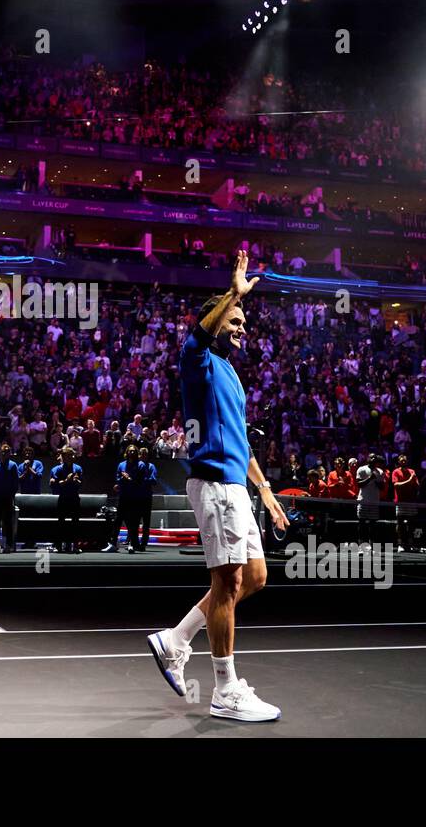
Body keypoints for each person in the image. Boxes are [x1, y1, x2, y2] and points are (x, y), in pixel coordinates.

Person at [147, 250, 287, 723]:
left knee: (255, 578)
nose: (242, 326)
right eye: (235, 319)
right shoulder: (198, 359)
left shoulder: (231, 373)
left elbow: (242, 441)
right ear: (217, 318)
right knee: (226, 584)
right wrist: (232, 292)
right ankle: (225, 689)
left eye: (245, 319)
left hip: (237, 486)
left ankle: (176, 639)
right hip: (213, 484)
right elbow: (197, 333)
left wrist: (265, 490)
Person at [49, 446, 85, 553]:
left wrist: (75, 481)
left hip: (74, 497)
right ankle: (59, 546)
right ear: (63, 457)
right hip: (63, 498)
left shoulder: (77, 468)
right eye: (66, 456)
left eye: (70, 456)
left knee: (75, 522)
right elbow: (56, 483)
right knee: (61, 522)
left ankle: (75, 546)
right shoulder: (57, 469)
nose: (68, 458)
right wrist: (67, 480)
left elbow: (80, 483)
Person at [0, 444, 20, 553]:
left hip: (7, 497)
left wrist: (11, 495)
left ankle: (8, 545)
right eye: (2, 451)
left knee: (7, 522)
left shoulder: (13, 465)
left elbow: (16, 483)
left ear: (9, 453)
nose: (4, 453)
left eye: (6, 452)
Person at [391, 455, 426, 553]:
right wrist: (409, 480)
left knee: (412, 524)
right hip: (400, 501)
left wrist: (415, 482)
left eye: (405, 460)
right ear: (398, 462)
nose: (403, 462)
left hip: (411, 501)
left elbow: (417, 485)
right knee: (400, 523)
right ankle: (400, 544)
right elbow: (396, 485)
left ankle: (411, 544)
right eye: (401, 460)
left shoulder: (411, 471)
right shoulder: (396, 472)